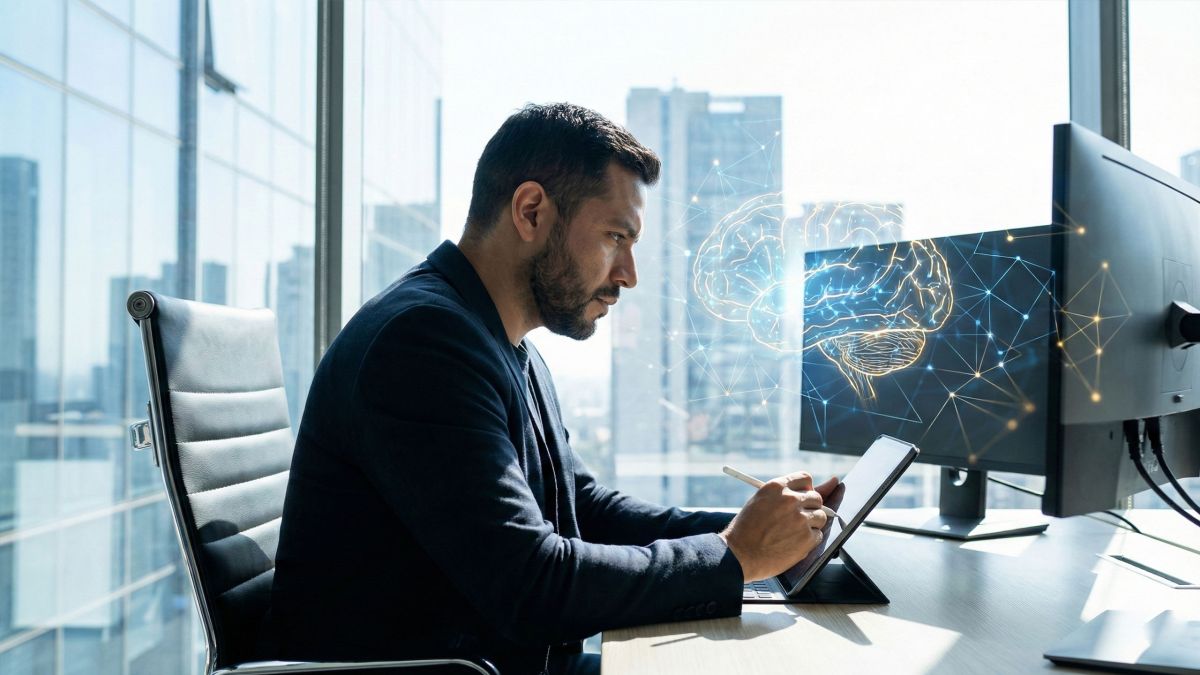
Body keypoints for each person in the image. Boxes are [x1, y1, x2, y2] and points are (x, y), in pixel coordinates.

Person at [270, 103, 837, 675]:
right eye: (617, 237)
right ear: (532, 211)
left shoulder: (504, 344)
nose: (629, 275)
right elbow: (531, 587)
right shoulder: (421, 344)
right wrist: (733, 555)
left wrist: (764, 527)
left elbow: (580, 508)